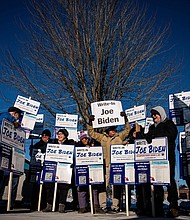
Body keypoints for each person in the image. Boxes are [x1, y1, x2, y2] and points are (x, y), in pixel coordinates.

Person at [136, 106, 179, 217]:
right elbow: (146, 139)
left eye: (156, 114)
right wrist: (139, 132)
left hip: (168, 157)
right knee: (156, 181)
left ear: (161, 114)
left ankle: (173, 206)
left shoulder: (169, 124)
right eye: (153, 115)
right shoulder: (151, 127)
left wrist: (154, 135)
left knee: (169, 180)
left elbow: (171, 135)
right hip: (155, 159)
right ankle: (158, 207)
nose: (154, 116)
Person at [87, 112, 130, 213]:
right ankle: (103, 205)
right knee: (103, 186)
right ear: (107, 130)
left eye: (114, 129)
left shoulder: (119, 137)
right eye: (111, 130)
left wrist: (125, 119)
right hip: (105, 165)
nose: (113, 131)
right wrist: (90, 122)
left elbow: (127, 130)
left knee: (116, 185)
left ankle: (115, 206)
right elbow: (91, 133)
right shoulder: (102, 137)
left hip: (116, 166)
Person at [42, 128, 74, 213]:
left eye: (61, 134)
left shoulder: (70, 143)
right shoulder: (52, 143)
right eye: (58, 134)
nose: (59, 136)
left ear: (65, 136)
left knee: (63, 186)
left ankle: (61, 205)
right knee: (50, 186)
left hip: (64, 167)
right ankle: (49, 205)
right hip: (53, 167)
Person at [0, 106, 23, 209]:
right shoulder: (4, 117)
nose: (18, 118)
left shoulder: (13, 124)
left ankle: (8, 203)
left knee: (8, 183)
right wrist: (13, 120)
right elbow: (4, 119)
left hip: (10, 156)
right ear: (14, 113)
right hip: (2, 154)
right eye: (18, 115)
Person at [127, 125, 152, 216]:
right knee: (138, 189)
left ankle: (148, 207)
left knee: (146, 188)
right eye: (133, 132)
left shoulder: (144, 139)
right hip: (134, 167)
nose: (135, 134)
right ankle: (140, 207)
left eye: (136, 132)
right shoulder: (129, 141)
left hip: (144, 167)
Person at [76, 133, 104, 214]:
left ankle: (95, 206)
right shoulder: (77, 146)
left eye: (86, 138)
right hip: (82, 169)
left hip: (93, 168)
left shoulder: (95, 145)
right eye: (83, 139)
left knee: (94, 188)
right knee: (82, 189)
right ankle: (82, 207)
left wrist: (92, 148)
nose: (85, 140)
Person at [29, 129, 52, 211]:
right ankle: (34, 204)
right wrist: (31, 150)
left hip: (48, 169)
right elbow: (33, 155)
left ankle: (43, 204)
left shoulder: (51, 144)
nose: (44, 137)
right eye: (43, 136)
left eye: (46, 136)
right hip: (38, 168)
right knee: (36, 187)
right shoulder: (37, 144)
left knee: (46, 188)